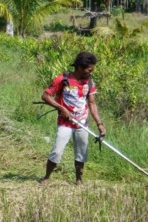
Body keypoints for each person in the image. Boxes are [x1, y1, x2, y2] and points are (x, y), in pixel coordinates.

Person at [39, 51, 105, 185]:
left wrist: (99, 123)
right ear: (80, 67)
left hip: (82, 123)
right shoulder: (63, 79)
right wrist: (62, 108)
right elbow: (45, 96)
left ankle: (79, 180)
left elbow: (92, 103)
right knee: (57, 151)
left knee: (81, 153)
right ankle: (46, 178)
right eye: (89, 69)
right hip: (65, 123)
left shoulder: (89, 83)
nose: (91, 72)